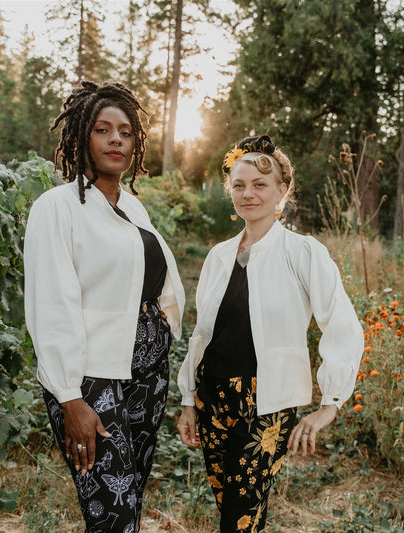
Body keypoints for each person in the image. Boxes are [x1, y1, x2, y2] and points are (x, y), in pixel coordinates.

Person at [176, 134, 364, 532]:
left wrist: (330, 402)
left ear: (282, 190)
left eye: (260, 185)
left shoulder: (303, 252)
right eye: (239, 186)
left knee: (239, 519)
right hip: (212, 397)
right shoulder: (218, 256)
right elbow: (201, 335)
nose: (248, 194)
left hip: (268, 401)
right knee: (237, 509)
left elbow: (342, 323)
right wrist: (189, 399)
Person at [23, 80, 185, 533]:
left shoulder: (134, 208)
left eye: (126, 132)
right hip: (91, 378)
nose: (117, 139)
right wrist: (69, 397)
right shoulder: (57, 208)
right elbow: (50, 304)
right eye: (103, 129)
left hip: (148, 371)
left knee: (129, 496)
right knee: (110, 510)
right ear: (80, 138)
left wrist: (164, 328)